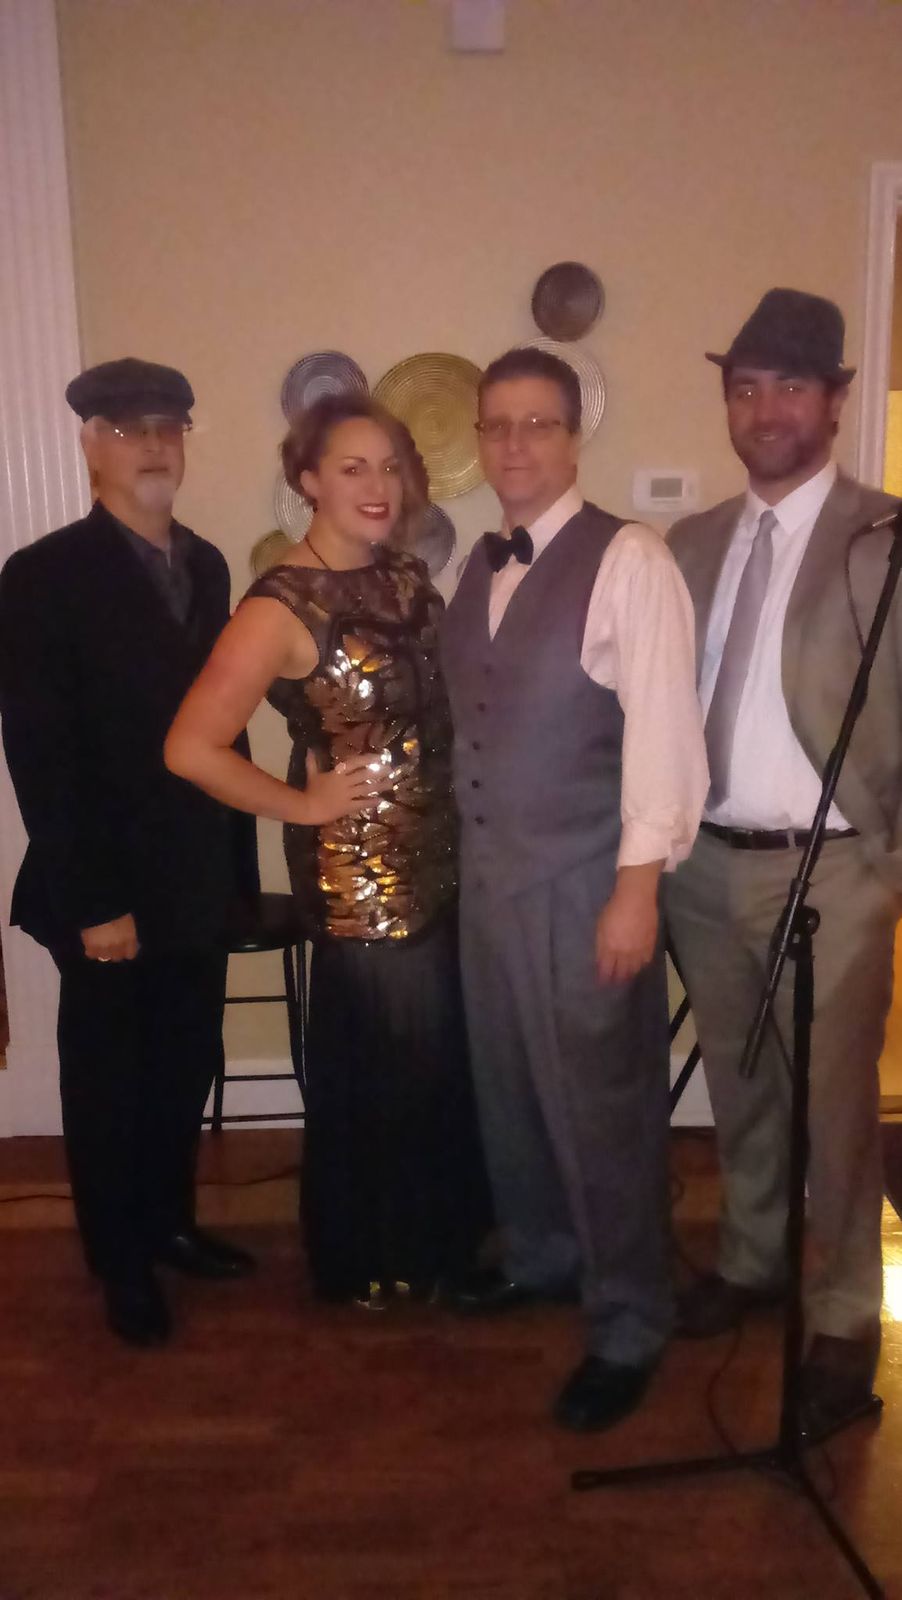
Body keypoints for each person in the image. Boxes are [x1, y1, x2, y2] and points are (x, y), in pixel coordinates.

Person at [165, 393, 490, 1308]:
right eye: (352, 467)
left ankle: (437, 1242)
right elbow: (190, 747)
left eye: (389, 466)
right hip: (365, 877)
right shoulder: (278, 606)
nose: (378, 484)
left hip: (447, 857)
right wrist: (302, 805)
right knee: (389, 1072)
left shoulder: (407, 579)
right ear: (308, 480)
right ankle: (380, 1257)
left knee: (437, 1065)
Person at [440, 347, 708, 1431]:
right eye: (497, 424)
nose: (515, 444)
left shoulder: (629, 557)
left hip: (586, 881)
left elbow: (663, 734)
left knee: (602, 1108)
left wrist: (635, 891)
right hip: (490, 881)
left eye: (537, 423)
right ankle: (544, 1255)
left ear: (573, 435)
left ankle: (632, 1317)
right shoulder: (474, 563)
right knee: (509, 1091)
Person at [665, 288, 902, 1438]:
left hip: (835, 870)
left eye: (790, 387)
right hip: (702, 864)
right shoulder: (689, 542)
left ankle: (845, 1311)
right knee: (738, 1076)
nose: (764, 410)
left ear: (835, 401)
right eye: (745, 388)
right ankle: (753, 1256)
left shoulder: (884, 536)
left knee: (834, 1103)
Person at [0, 357, 256, 1349]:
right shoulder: (40, 576)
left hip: (194, 875)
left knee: (185, 1058)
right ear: (90, 445)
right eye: (127, 428)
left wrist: (235, 873)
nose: (152, 444)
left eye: (167, 425)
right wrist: (94, 900)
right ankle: (120, 1262)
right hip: (103, 882)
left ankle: (170, 1224)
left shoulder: (210, 564)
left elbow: (223, 727)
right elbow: (41, 752)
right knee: (110, 1079)